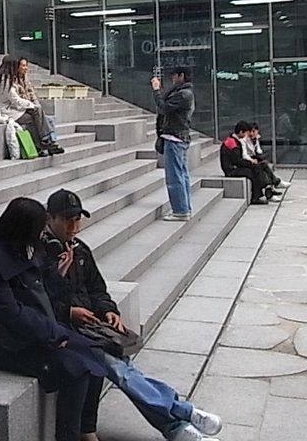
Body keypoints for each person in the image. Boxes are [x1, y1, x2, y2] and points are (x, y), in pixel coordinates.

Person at [40, 189, 223, 441]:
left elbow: (97, 289)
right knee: (119, 368)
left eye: (78, 219)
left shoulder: (80, 250)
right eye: (67, 220)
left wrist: (109, 311)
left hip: (92, 327)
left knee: (123, 368)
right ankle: (181, 417)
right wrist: (69, 311)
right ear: (50, 219)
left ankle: (179, 425)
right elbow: (37, 303)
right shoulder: (41, 255)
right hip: (65, 330)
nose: (74, 226)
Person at [0, 197, 106, 441]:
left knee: (95, 353)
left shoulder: (25, 246)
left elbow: (47, 283)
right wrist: (54, 334)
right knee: (76, 369)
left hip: (39, 330)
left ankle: (87, 431)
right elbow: (11, 314)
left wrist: (60, 273)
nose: (42, 233)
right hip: (4, 343)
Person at [0, 56, 65, 155]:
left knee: (38, 114)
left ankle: (44, 143)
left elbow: (30, 94)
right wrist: (31, 105)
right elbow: (15, 100)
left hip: (15, 108)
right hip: (8, 111)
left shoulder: (8, 78)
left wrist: (33, 105)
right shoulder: (4, 80)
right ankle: (46, 142)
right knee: (33, 117)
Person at [152, 66, 195, 221]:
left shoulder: (183, 95)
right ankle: (184, 208)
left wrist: (156, 90)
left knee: (175, 176)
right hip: (177, 138)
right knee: (181, 174)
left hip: (175, 138)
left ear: (181, 76)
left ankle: (180, 210)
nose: (172, 79)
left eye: (174, 76)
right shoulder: (183, 93)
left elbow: (163, 108)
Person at [220, 121, 274, 205]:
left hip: (235, 166)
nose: (246, 136)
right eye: (245, 133)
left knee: (256, 167)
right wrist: (250, 163)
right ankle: (257, 195)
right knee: (251, 171)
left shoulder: (235, 140)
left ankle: (263, 190)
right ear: (241, 132)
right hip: (231, 169)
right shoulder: (232, 143)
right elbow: (237, 161)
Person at [247, 122, 285, 192]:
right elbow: (249, 153)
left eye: (254, 131)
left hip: (255, 157)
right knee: (264, 166)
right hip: (250, 159)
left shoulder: (256, 139)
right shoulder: (246, 140)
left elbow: (259, 150)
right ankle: (275, 184)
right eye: (251, 131)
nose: (253, 133)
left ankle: (273, 186)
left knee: (266, 165)